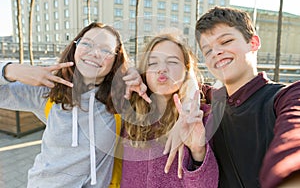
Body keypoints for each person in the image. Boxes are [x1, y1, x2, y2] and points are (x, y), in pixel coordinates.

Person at [0, 22, 131, 187]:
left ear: (116, 59)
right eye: (87, 43)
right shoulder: (48, 91)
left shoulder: (122, 99)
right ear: (75, 47)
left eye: (105, 50)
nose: (95, 53)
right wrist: (10, 70)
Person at [194, 6, 300, 187]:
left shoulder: (285, 97)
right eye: (207, 50)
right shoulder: (214, 100)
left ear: (253, 43)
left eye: (226, 41)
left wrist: (287, 174)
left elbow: (294, 135)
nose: (216, 52)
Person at [118, 31, 218, 188]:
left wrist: (198, 152)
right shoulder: (131, 115)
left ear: (186, 70)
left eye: (172, 62)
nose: (162, 69)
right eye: (153, 63)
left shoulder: (202, 118)